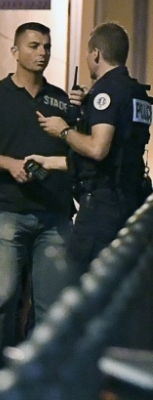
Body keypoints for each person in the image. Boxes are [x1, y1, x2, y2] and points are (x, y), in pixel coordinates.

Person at [0, 22, 75, 387]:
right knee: (4, 297)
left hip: (55, 214)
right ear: (15, 51)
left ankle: (38, 376)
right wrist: (9, 164)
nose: (42, 52)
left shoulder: (60, 100)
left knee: (51, 305)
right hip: (10, 209)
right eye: (33, 45)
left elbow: (79, 151)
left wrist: (77, 118)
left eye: (46, 46)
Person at [26, 22, 152, 272]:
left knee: (75, 281)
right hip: (130, 199)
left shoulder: (107, 89)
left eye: (87, 52)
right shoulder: (135, 92)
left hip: (102, 208)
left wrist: (63, 130)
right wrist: (48, 162)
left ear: (96, 53)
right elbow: (110, 158)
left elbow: (97, 149)